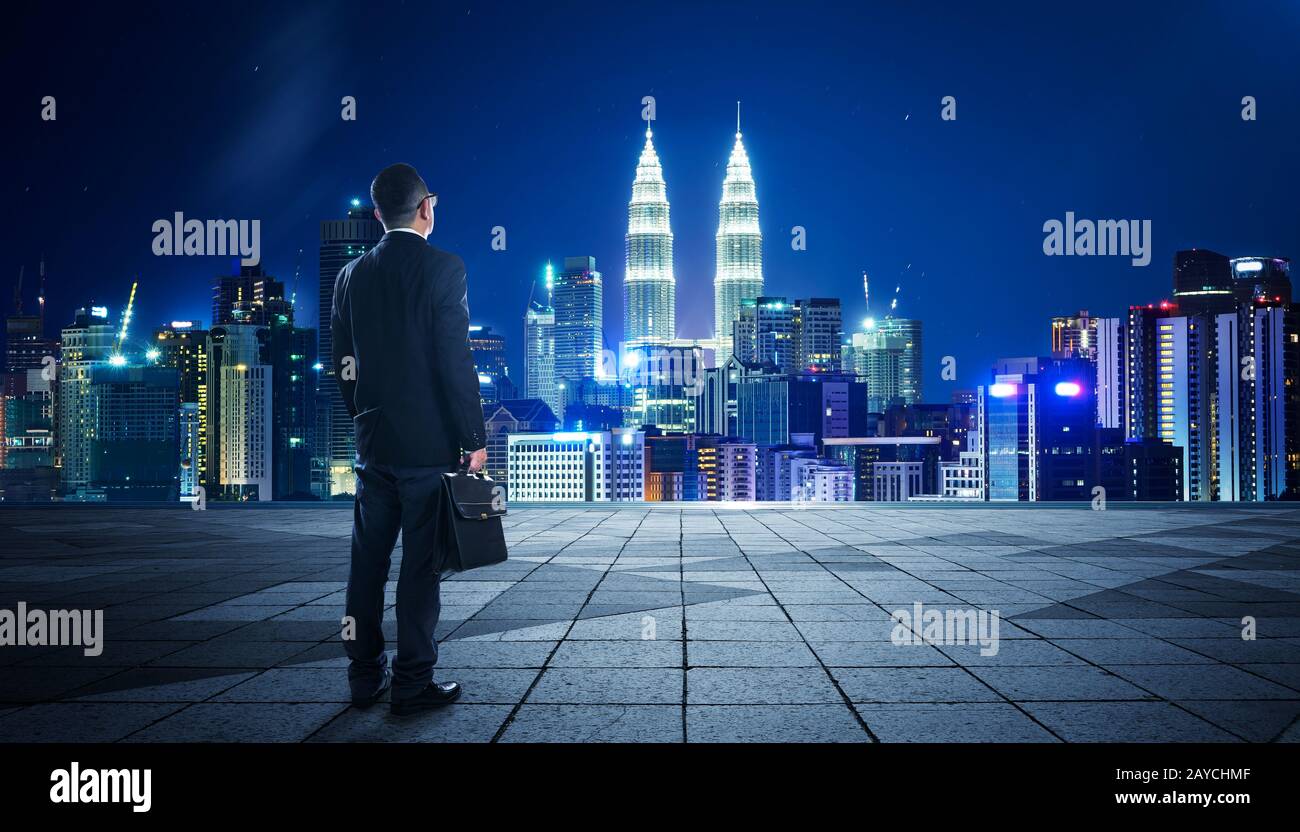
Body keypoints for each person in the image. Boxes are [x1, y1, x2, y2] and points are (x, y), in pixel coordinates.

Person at [331, 163, 487, 716]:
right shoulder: (445, 267)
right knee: (420, 567)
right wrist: (473, 435)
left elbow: (343, 364)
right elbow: (455, 361)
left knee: (367, 563)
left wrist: (364, 417)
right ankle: (412, 681)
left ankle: (362, 674)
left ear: (377, 214)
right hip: (428, 450)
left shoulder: (350, 276)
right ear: (426, 208)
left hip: (375, 447)